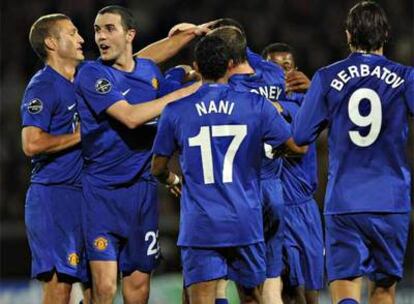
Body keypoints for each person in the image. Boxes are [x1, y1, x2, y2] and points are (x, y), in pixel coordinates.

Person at [151, 34, 306, 304]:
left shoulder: (175, 111)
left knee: (202, 299)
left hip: (200, 223)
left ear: (196, 67)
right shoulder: (255, 105)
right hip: (245, 219)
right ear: (231, 66)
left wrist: (172, 179)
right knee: (251, 297)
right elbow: (297, 147)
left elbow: (157, 168)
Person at [75, 5, 200, 304]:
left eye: (109, 28)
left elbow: (165, 115)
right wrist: (184, 92)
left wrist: (189, 52)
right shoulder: (91, 74)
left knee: (138, 289)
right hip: (101, 194)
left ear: (130, 34)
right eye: (97, 29)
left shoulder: (148, 73)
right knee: (104, 289)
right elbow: (131, 117)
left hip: (141, 195)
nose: (100, 36)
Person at [293, 2, 413, 304]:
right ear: (385, 34)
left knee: (345, 284)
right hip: (391, 198)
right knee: (383, 289)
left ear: (348, 35)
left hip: (345, 199)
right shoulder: (406, 77)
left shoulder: (326, 77)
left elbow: (300, 136)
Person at [21, 13, 87, 304]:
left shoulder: (84, 77)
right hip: (54, 197)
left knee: (101, 286)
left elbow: (135, 60)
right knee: (60, 289)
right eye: (72, 33)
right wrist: (81, 136)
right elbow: (32, 143)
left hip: (86, 196)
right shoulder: (43, 86)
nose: (81, 39)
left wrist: (179, 39)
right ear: (51, 42)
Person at [263, 42, 324, 304]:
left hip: (304, 210)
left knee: (310, 294)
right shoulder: (253, 103)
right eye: (273, 67)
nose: (280, 73)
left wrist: (316, 91)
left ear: (295, 70)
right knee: (284, 291)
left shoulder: (306, 102)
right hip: (272, 205)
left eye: (286, 67)